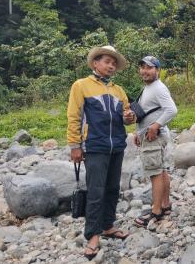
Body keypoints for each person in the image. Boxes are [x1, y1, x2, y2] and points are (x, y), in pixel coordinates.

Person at [67, 45, 134, 260]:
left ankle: (107, 225)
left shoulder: (118, 90)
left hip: (117, 146)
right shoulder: (81, 86)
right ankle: (93, 235)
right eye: (107, 61)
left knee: (113, 188)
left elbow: (126, 115)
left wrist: (129, 117)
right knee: (96, 190)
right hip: (95, 145)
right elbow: (74, 116)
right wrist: (75, 145)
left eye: (114, 63)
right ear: (95, 63)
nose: (111, 65)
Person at [133, 56, 178, 228]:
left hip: (154, 137)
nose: (145, 70)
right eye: (142, 67)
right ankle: (165, 205)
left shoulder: (158, 88)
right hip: (153, 135)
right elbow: (149, 112)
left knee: (155, 173)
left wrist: (155, 126)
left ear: (157, 71)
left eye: (149, 68)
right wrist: (139, 131)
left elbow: (172, 110)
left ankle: (156, 211)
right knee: (162, 170)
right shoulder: (149, 87)